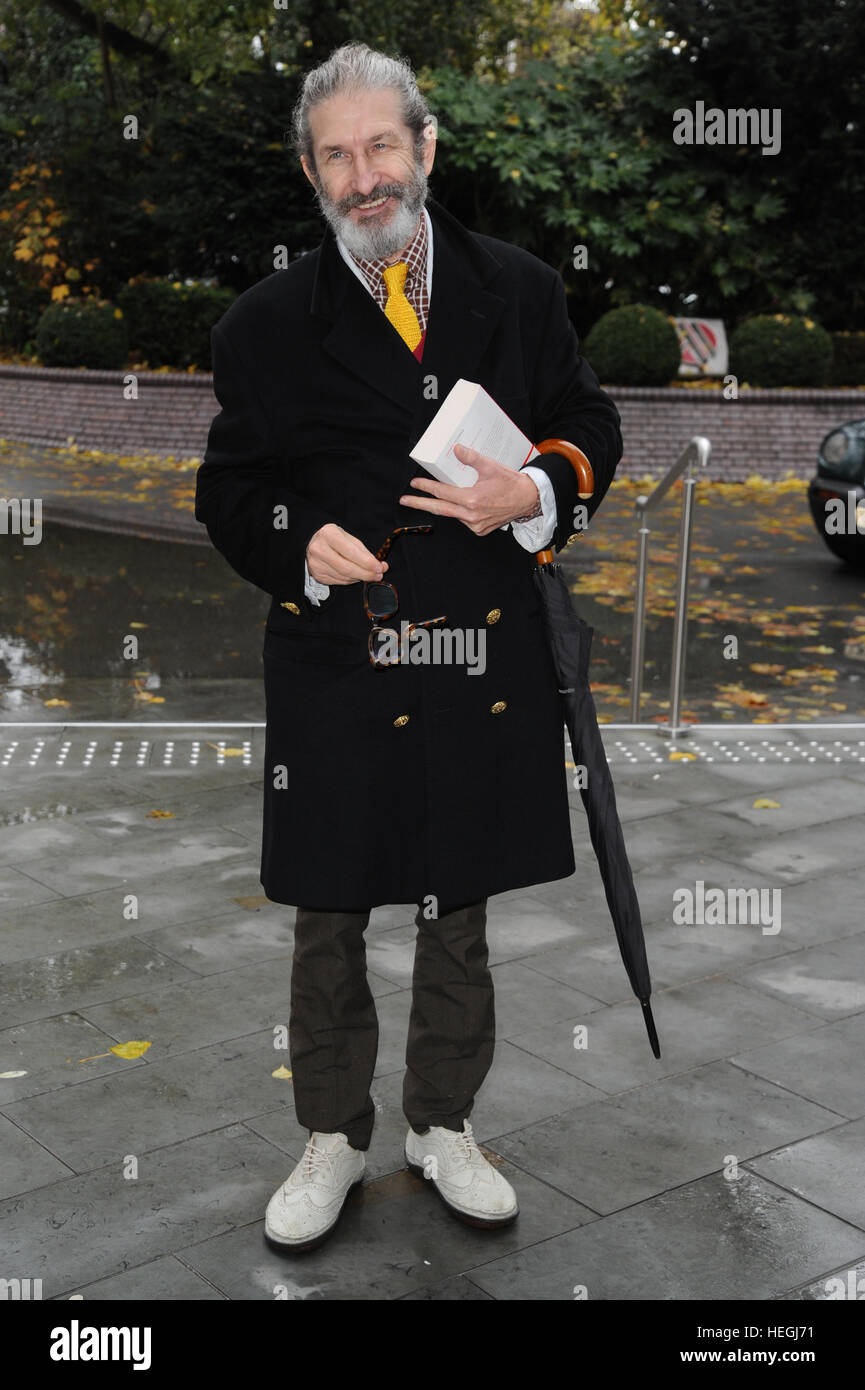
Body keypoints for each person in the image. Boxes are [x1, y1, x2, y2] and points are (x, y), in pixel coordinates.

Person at [195, 40, 623, 1255]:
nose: (362, 174)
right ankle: (331, 1134)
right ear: (311, 173)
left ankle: (443, 1123)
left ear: (426, 148)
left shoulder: (520, 289)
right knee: (328, 910)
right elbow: (228, 496)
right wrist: (297, 541)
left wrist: (533, 490)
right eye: (336, 155)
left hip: (479, 662)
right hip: (341, 663)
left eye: (383, 145)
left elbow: (591, 422)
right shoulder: (265, 325)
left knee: (458, 904)